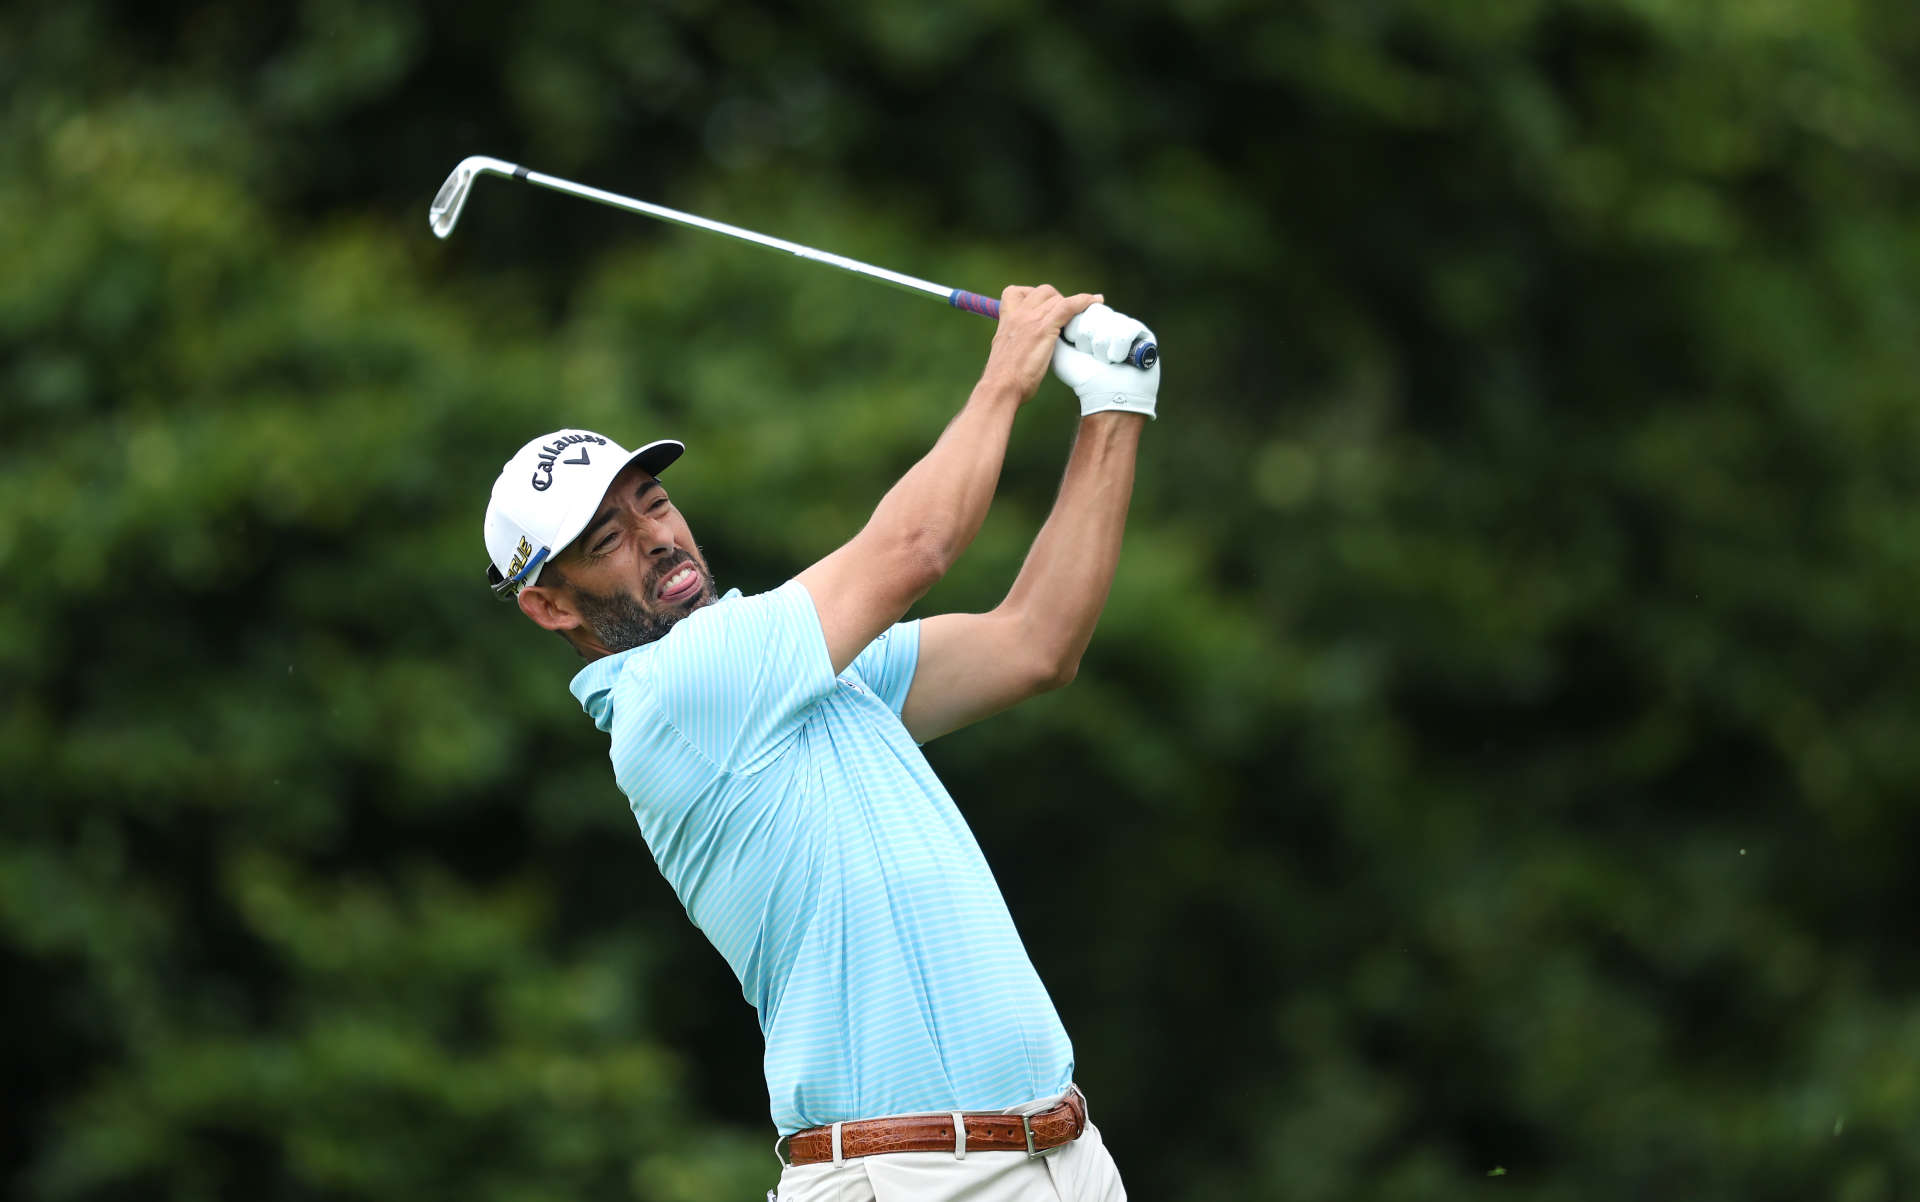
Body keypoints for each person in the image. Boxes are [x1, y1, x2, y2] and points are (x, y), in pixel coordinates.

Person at [481, 285, 1158, 1201]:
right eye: (607, 537)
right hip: (908, 1177)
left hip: (1065, 1153)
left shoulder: (796, 669)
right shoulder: (676, 692)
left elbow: (1035, 643)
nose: (658, 539)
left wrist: (1116, 406)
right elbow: (915, 545)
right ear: (549, 605)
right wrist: (1008, 376)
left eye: (655, 504)